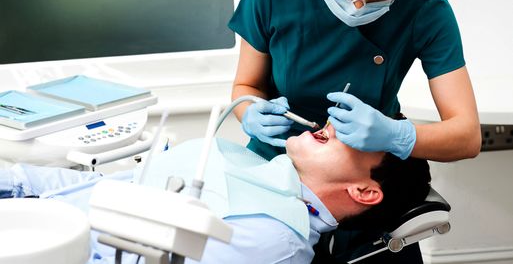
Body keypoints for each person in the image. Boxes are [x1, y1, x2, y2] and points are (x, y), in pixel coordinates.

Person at [229, 0, 480, 261]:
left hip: (359, 182)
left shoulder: (426, 9)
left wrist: (396, 135)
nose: (358, 3)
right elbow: (247, 85)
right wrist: (249, 111)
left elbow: (467, 136)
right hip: (275, 170)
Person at [0, 124, 431, 264]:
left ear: (364, 190)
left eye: (361, 135)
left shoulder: (272, 239)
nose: (335, 125)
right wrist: (17, 181)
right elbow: (92, 188)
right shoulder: (240, 161)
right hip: (32, 215)